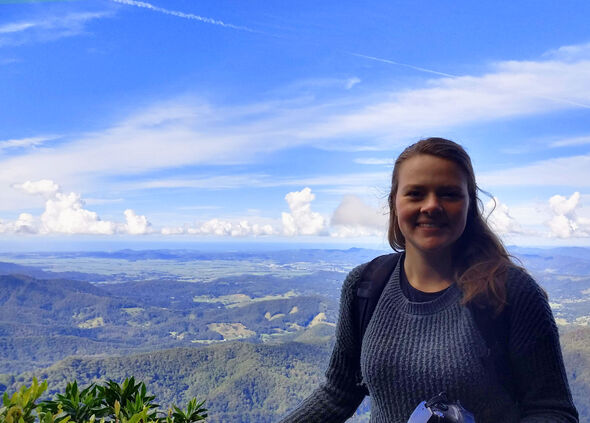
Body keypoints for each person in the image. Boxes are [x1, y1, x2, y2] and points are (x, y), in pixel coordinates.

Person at [279, 138, 578, 423]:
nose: (432, 205)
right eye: (416, 193)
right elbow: (338, 392)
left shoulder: (509, 291)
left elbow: (552, 410)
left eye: (449, 193)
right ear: (394, 203)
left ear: (469, 205)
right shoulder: (365, 286)